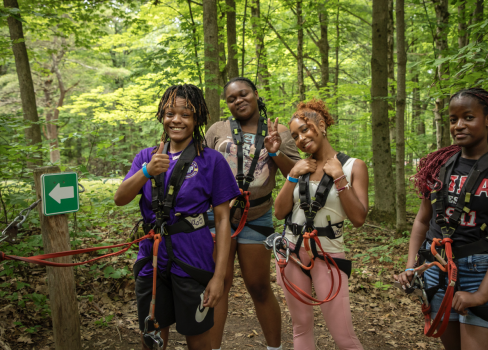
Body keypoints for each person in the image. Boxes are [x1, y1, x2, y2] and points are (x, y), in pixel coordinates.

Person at [394, 88, 488, 350]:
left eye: (468, 117)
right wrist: (411, 265)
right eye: (453, 119)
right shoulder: (438, 166)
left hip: (483, 271)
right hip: (437, 269)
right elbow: (423, 221)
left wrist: (482, 294)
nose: (459, 125)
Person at [114, 84, 241, 350]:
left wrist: (219, 278)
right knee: (152, 336)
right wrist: (146, 172)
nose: (177, 120)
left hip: (192, 257)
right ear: (162, 116)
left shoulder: (212, 161)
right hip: (152, 258)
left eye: (186, 114)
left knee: (198, 338)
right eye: (170, 113)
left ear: (197, 120)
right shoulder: (146, 157)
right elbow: (120, 198)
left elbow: (222, 220)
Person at [205, 77, 301, 350]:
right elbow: (201, 170)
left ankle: (275, 347)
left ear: (256, 94)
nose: (239, 100)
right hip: (217, 215)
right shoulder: (217, 129)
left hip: (256, 216)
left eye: (243, 94)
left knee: (258, 286)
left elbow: (294, 174)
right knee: (218, 284)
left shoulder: (278, 130)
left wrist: (275, 151)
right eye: (232, 98)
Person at [273, 99, 368, 350]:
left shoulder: (352, 166)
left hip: (329, 255)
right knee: (301, 328)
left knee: (343, 336)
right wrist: (293, 175)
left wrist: (339, 178)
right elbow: (280, 210)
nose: (301, 138)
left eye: (305, 129)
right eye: (295, 136)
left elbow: (359, 218)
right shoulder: (301, 167)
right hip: (292, 253)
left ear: (322, 125)